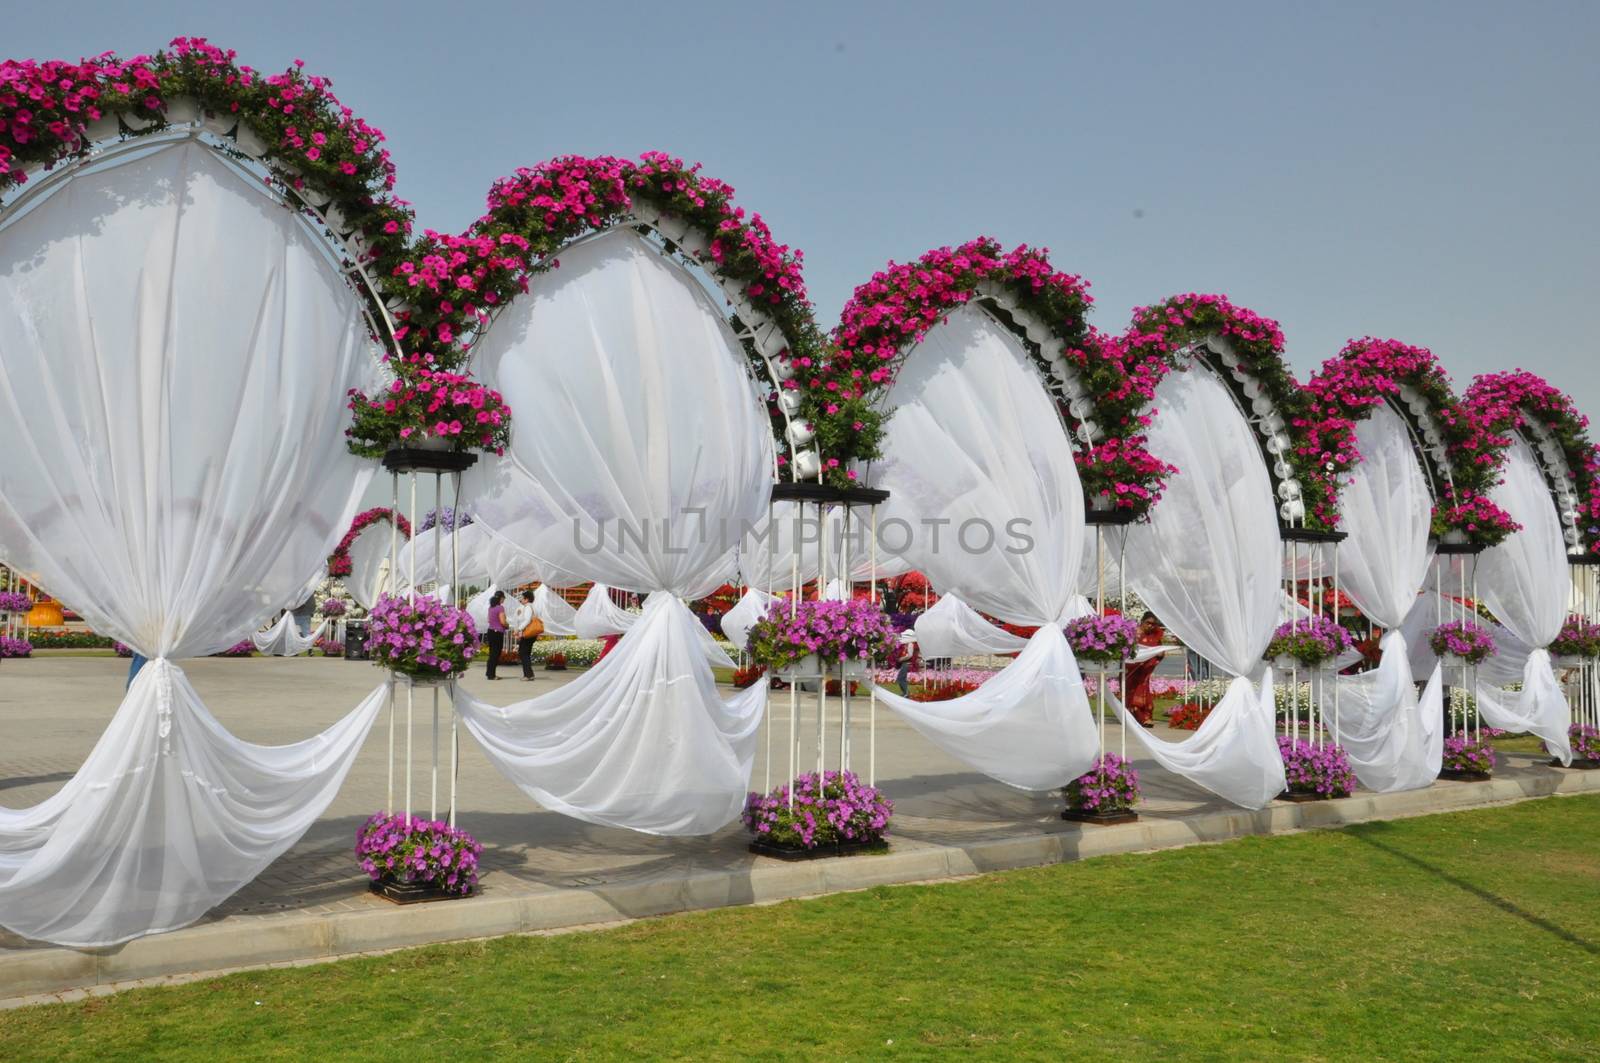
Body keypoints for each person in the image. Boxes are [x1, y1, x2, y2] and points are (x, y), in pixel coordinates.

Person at [1124, 611, 1166, 727]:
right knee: (1130, 692)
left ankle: (1145, 718)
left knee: (1142, 691)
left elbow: (1160, 652)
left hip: (1144, 671)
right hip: (1130, 669)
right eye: (1148, 623)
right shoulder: (1133, 633)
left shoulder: (1154, 636)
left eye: (1153, 624)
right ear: (1142, 621)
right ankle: (1133, 717)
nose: (1150, 626)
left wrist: (1160, 654)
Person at [515, 590, 543, 681]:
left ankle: (528, 675)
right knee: (525, 653)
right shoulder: (533, 607)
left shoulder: (528, 607)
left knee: (523, 653)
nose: (521, 600)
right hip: (532, 634)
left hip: (528, 633)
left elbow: (527, 620)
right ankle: (529, 674)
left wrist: (518, 629)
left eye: (522, 598)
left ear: (527, 599)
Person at [485, 591, 507, 680]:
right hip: (497, 633)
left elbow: (488, 620)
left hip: (490, 631)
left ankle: (489, 673)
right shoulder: (500, 608)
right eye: (504, 598)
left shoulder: (491, 607)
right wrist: (507, 625)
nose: (504, 600)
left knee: (492, 653)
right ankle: (492, 675)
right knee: (496, 654)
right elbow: (502, 622)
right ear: (501, 598)